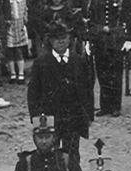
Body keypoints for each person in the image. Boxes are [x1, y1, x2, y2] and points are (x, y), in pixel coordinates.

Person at [29, 24, 96, 153]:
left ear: (69, 39)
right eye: (56, 39)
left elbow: (87, 89)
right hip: (50, 117)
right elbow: (33, 92)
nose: (60, 41)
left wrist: (88, 114)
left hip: (73, 117)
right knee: (49, 153)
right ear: (50, 41)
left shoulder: (79, 61)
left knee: (72, 153)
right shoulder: (41, 63)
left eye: (64, 37)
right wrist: (35, 117)